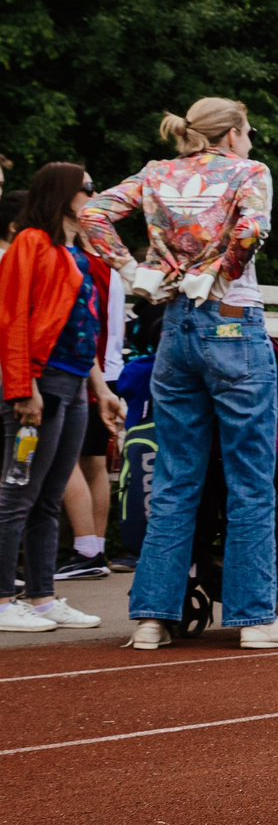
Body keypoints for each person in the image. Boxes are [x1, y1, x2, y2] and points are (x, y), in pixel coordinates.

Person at [83, 101, 278, 650]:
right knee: (250, 476)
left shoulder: (156, 173)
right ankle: (254, 617)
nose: (252, 141)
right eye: (250, 131)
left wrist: (130, 269)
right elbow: (251, 232)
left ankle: (151, 618)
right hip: (233, 320)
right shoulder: (247, 172)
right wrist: (214, 274)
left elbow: (94, 213)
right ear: (233, 133)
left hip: (175, 328)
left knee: (175, 475)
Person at [0, 163, 115, 631]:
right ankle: (5, 598)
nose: (96, 194)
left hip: (70, 387)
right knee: (18, 492)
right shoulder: (30, 243)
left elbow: (82, 330)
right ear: (67, 195)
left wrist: (101, 387)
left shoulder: (76, 253)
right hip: (40, 385)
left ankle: (42, 596)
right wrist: (22, 387)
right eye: (89, 188)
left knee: (48, 496)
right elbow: (12, 319)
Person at [56, 244, 128, 582]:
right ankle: (94, 548)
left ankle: (87, 550)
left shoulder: (75, 262)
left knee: (65, 458)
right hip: (109, 370)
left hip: (83, 367)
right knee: (95, 462)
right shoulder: (110, 267)